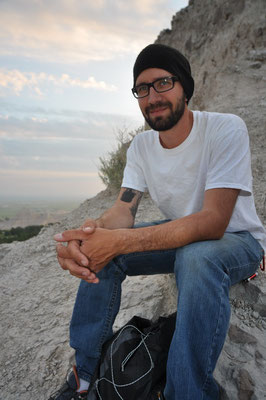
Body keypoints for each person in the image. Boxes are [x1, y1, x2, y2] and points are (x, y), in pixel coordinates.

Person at [50, 44, 266, 400]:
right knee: (102, 249)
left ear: (184, 86)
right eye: (142, 89)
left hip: (236, 239)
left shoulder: (225, 129)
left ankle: (187, 392)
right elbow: (124, 210)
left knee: (196, 257)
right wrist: (91, 234)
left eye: (163, 83)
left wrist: (120, 241)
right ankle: (84, 376)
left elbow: (213, 222)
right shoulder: (141, 147)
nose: (153, 96)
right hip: (182, 233)